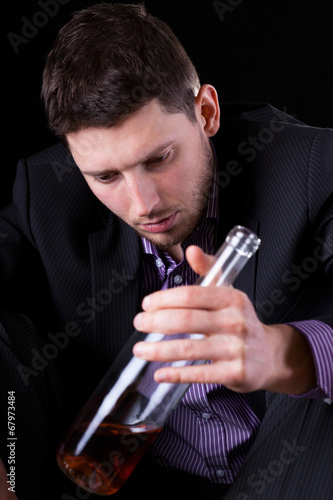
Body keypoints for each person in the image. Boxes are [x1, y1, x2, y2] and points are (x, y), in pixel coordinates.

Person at [0, 3, 332, 499]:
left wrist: (286, 354)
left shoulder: (312, 167)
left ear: (206, 112)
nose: (143, 205)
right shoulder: (44, 194)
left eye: (159, 159)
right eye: (106, 177)